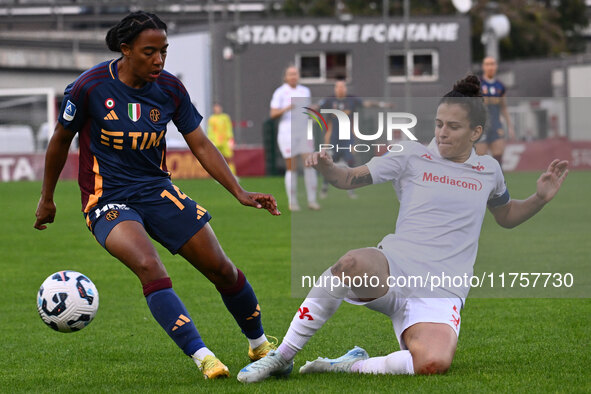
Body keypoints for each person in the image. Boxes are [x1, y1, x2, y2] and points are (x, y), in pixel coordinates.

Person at [236, 75, 568, 383]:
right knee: (349, 264)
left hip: (442, 291)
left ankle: (348, 364)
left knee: (431, 364)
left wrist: (540, 198)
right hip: (395, 268)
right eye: (439, 124)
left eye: (453, 127)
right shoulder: (409, 154)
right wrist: (328, 168)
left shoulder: (489, 171)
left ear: (476, 132)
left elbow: (506, 215)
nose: (442, 133)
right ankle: (283, 356)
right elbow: (348, 178)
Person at [34, 11, 280, 380]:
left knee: (222, 269)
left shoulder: (169, 88)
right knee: (150, 266)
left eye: (164, 51)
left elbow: (199, 142)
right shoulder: (90, 86)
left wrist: (238, 191)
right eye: (150, 51)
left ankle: (260, 345)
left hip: (157, 190)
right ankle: (204, 357)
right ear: (126, 49)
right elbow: (59, 141)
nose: (159, 60)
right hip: (107, 199)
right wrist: (47, 197)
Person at [270, 65, 319, 211]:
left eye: (295, 74)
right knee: (291, 167)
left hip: (304, 132)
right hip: (287, 133)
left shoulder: (305, 91)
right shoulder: (280, 92)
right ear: (285, 77)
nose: (293, 76)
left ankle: (312, 200)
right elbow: (273, 114)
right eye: (290, 74)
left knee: (310, 164)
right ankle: (293, 202)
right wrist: (286, 108)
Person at [317, 79, 363, 200]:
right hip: (334, 140)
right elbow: (328, 125)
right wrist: (326, 144)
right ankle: (325, 186)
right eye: (338, 87)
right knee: (330, 165)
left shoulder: (351, 101)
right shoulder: (329, 102)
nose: (341, 89)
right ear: (335, 88)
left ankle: (351, 190)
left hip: (347, 139)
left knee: (351, 163)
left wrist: (354, 141)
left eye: (343, 86)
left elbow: (354, 121)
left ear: (346, 88)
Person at [476, 56, 515, 168]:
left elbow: (503, 107)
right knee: (481, 161)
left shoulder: (500, 86)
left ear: (496, 66)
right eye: (487, 64)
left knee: (498, 161)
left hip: (496, 126)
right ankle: (482, 184)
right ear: (483, 67)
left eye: (492, 64)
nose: (490, 67)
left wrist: (510, 126)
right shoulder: (477, 84)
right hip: (481, 127)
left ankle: (498, 185)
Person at [207, 103, 236, 176]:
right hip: (216, 142)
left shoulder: (225, 117)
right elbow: (210, 131)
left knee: (229, 158)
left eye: (218, 107)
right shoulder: (211, 119)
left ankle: (232, 175)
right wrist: (211, 140)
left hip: (225, 141)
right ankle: (219, 176)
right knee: (217, 160)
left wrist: (231, 139)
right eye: (215, 107)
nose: (217, 109)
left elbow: (229, 128)